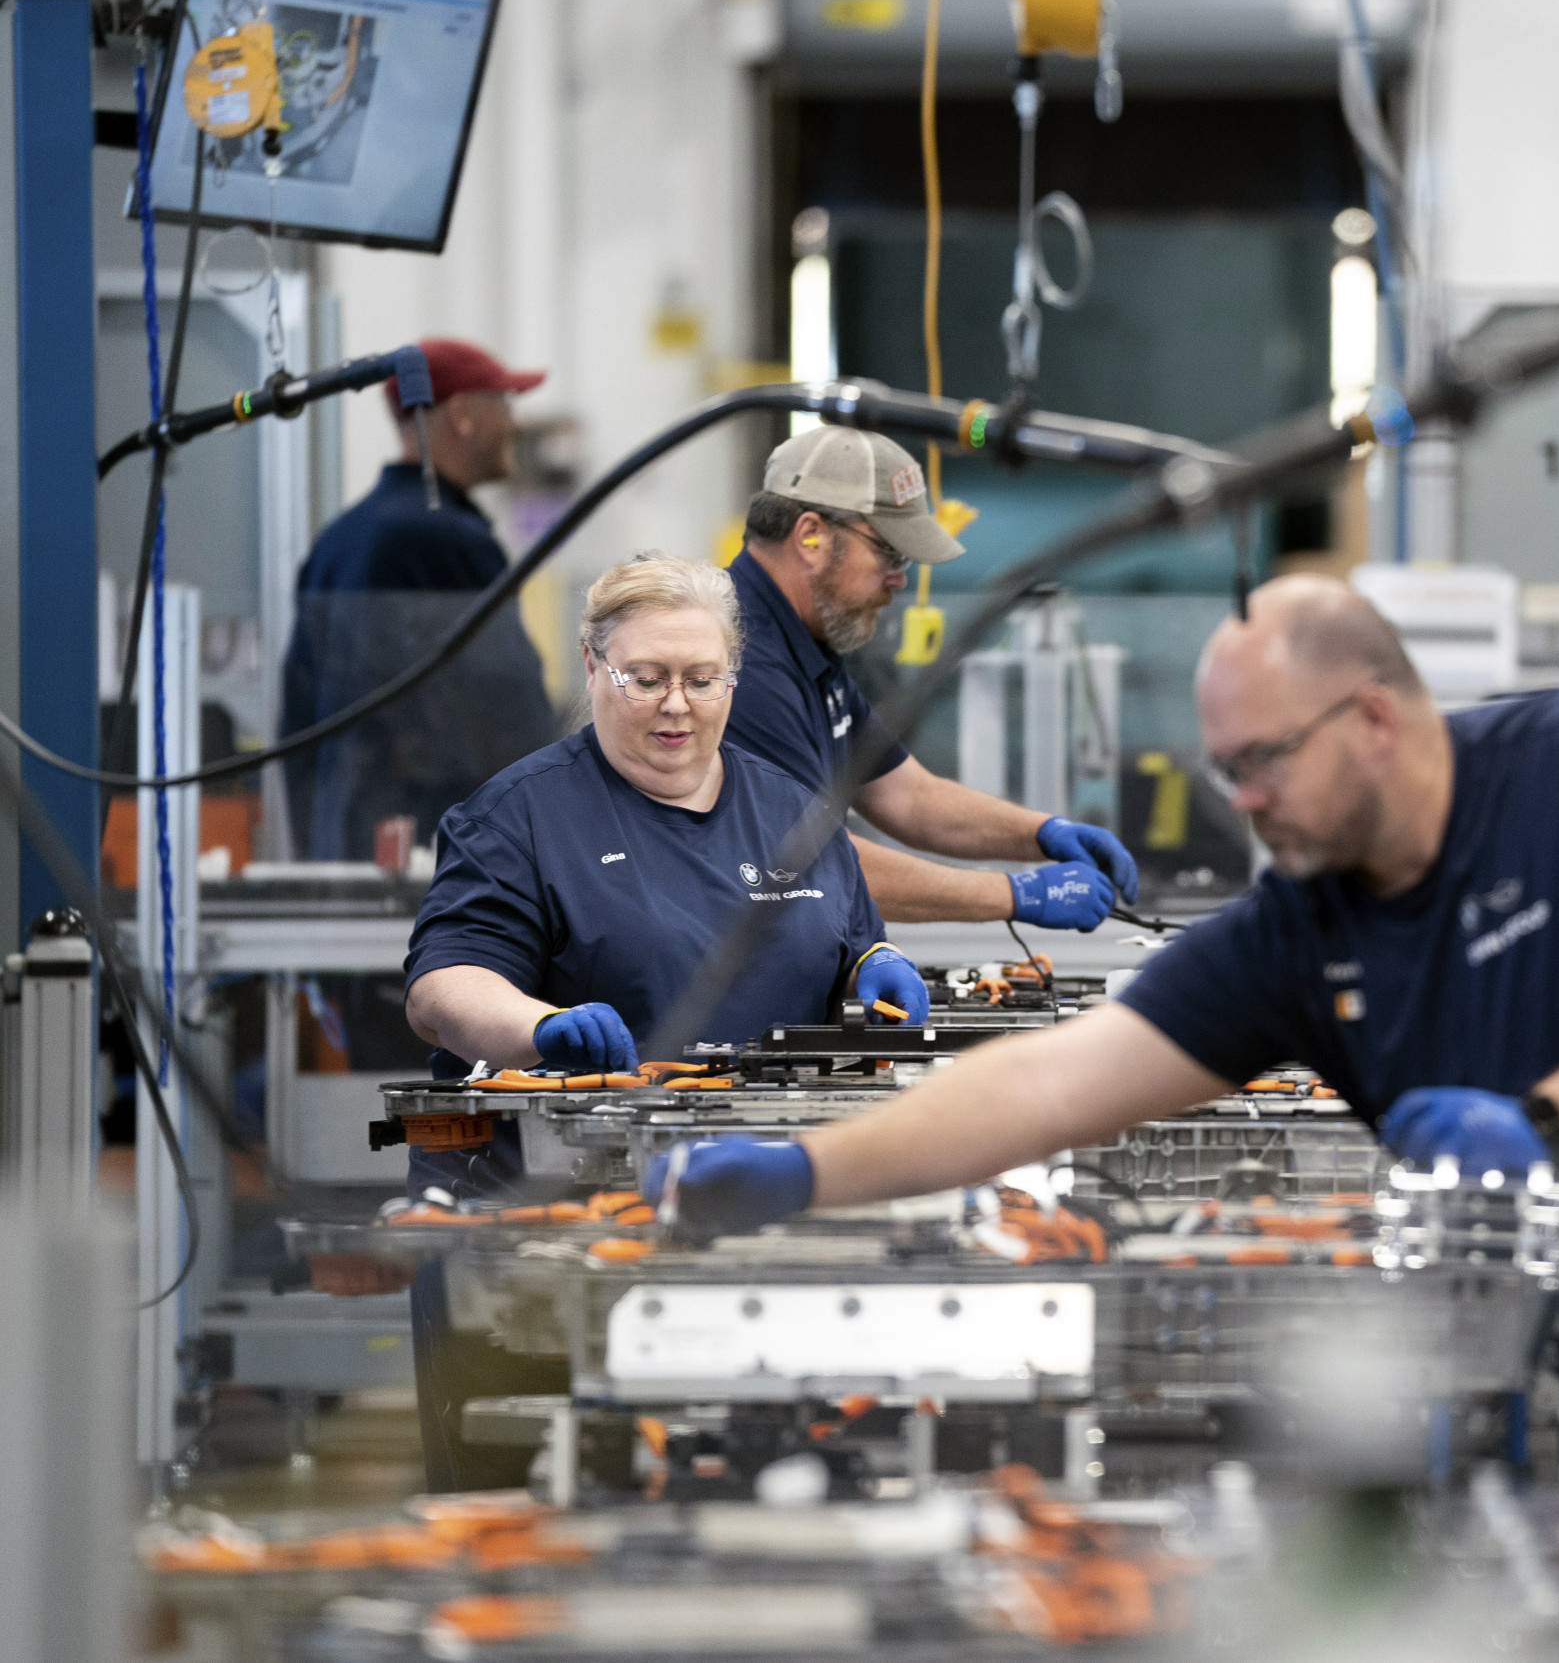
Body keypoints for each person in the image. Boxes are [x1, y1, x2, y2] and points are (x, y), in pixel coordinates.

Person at [658, 574, 1559, 1467]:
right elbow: (1051, 1083)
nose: (1247, 803)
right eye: (1227, 772)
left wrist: (1551, 1118)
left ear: (1371, 717)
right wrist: (807, 1169)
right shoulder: (1299, 931)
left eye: (1266, 761)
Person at [397, 553, 923, 1488]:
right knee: (536, 1531)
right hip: (547, 1244)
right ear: (595, 667)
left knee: (743, 1506)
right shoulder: (522, 815)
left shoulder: (793, 812)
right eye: (645, 679)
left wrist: (876, 968)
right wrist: (538, 1027)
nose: (675, 706)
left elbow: (850, 946)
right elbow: (444, 987)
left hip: (750, 1228)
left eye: (701, 679)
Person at [724, 426, 1139, 934]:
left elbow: (907, 797)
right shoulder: (739, 664)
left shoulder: (805, 642)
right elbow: (805, 867)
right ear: (811, 536)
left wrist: (1045, 834)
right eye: (891, 554)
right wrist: (1014, 893)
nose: (899, 579)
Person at [281, 336, 556, 866]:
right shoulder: (445, 538)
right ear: (461, 414)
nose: (514, 424)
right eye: (502, 402)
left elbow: (299, 707)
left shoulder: (340, 538)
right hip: (434, 854)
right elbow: (508, 718)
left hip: (342, 840)